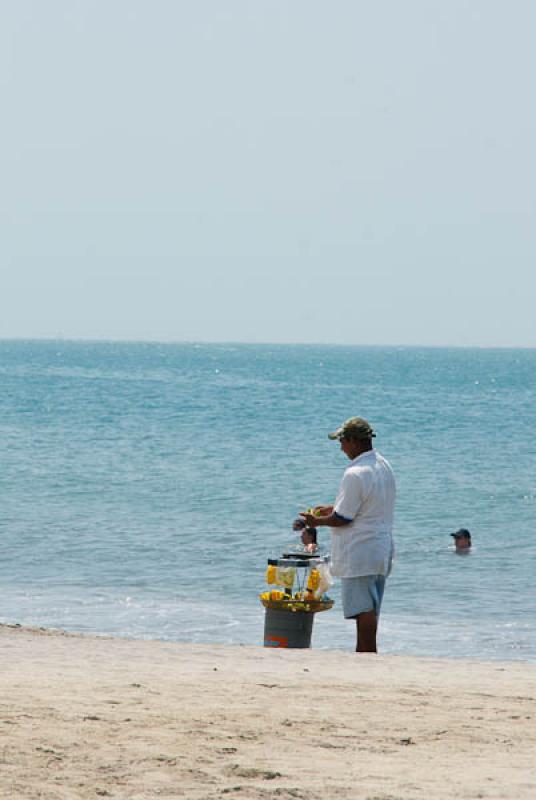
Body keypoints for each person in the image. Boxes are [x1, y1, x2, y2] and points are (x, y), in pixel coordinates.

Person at [299, 417, 396, 653]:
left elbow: (344, 518)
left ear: (353, 441)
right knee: (370, 608)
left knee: (363, 609)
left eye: (342, 441)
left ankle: (367, 655)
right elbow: (365, 507)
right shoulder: (383, 466)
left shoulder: (355, 473)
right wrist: (332, 509)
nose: (341, 447)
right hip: (381, 547)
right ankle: (364, 653)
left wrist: (316, 521)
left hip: (360, 549)